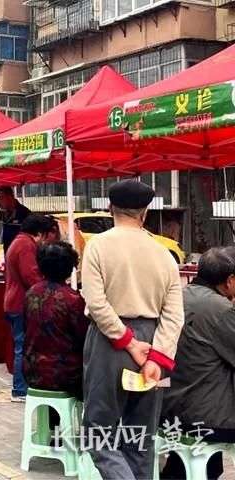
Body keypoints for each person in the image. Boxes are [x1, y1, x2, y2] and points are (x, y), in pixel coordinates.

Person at [81, 179, 184, 479]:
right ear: (145, 212)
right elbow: (174, 314)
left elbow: (96, 302)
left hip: (108, 343)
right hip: (153, 342)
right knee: (140, 439)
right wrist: (157, 357)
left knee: (98, 435)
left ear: (111, 208)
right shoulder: (164, 254)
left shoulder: (98, 247)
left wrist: (126, 340)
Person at [159, 247, 235, 480]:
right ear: (230, 281)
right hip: (208, 419)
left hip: (168, 410)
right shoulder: (221, 310)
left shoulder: (177, 297)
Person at [4, 214, 59, 402]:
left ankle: (20, 387)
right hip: (20, 303)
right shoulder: (26, 245)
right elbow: (31, 276)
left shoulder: (19, 242)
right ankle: (20, 390)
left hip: (14, 301)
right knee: (23, 346)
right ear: (39, 233)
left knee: (22, 345)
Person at [23, 241, 88, 399]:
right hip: (65, 374)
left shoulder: (32, 292)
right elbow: (83, 336)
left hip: (32, 371)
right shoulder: (73, 299)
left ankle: (50, 420)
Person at [0, 186, 32, 253]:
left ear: (10, 197)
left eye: (1, 198)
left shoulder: (24, 213)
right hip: (8, 256)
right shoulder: (6, 214)